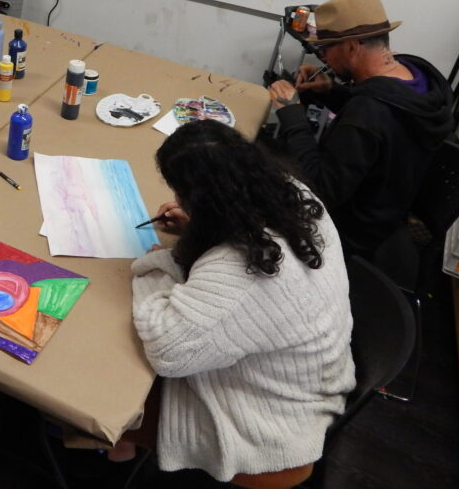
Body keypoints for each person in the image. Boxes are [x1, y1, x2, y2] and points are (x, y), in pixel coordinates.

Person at [123, 120, 354, 485]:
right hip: (310, 370)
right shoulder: (295, 195)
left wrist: (157, 265)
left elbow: (168, 350)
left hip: (271, 425)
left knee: (113, 388)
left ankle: (108, 449)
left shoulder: (241, 272)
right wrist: (202, 225)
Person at [267, 0, 453, 256]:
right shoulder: (419, 76)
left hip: (347, 234)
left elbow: (320, 189)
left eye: (325, 50)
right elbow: (384, 128)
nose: (324, 59)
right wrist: (330, 91)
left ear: (352, 46)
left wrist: (292, 116)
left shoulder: (367, 112)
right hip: (386, 213)